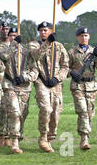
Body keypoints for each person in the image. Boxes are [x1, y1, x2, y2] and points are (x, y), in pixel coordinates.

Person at [29, 21, 69, 153]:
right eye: (41, 30)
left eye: (46, 30)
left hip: (56, 83)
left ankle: (50, 138)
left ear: (51, 31)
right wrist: (47, 43)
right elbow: (36, 55)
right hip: (41, 82)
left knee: (56, 111)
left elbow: (65, 66)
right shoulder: (34, 44)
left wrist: (58, 78)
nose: (43, 32)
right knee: (46, 109)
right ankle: (42, 137)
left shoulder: (59, 46)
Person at [0, 31, 39, 154]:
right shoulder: (5, 50)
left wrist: (25, 77)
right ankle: (14, 142)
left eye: (16, 36)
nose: (13, 38)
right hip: (10, 85)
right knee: (14, 112)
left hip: (24, 87)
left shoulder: (27, 53)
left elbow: (35, 70)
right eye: (11, 36)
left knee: (22, 114)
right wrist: (14, 44)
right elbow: (3, 57)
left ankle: (17, 137)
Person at [68, 27, 97, 150]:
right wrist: (72, 72)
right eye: (81, 35)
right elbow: (64, 68)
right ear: (78, 37)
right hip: (77, 86)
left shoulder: (94, 51)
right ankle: (84, 139)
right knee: (83, 111)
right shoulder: (72, 52)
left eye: (86, 35)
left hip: (91, 87)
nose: (84, 38)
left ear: (89, 37)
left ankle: (86, 136)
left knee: (89, 113)